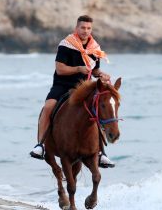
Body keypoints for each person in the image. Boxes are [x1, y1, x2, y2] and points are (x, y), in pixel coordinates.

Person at [30, 15, 115, 168]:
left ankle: (101, 153)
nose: (86, 31)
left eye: (89, 28)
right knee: (48, 107)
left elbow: (94, 70)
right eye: (83, 28)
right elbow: (60, 69)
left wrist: (101, 74)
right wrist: (77, 69)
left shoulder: (94, 48)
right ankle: (40, 145)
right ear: (76, 28)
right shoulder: (66, 45)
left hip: (84, 88)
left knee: (98, 109)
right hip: (63, 86)